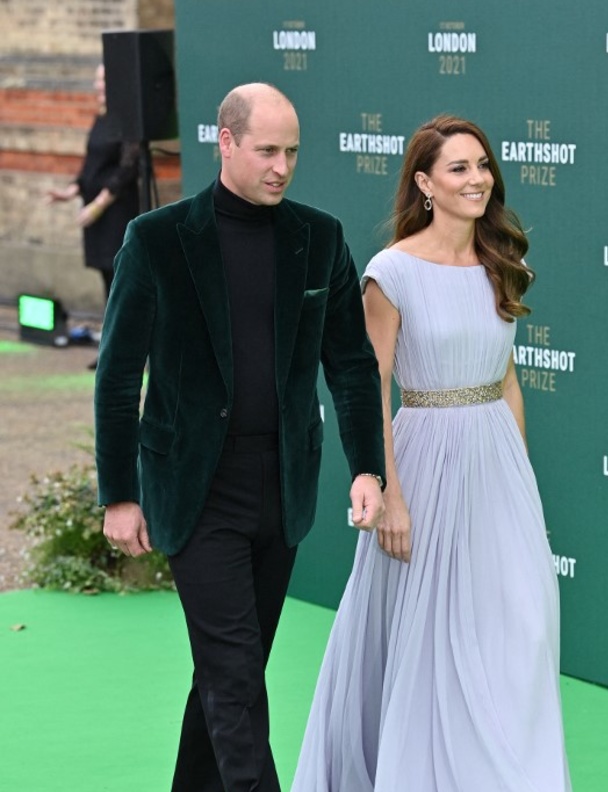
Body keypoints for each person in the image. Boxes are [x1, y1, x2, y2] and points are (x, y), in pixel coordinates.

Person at [93, 83, 386, 792]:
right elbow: (118, 372)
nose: (282, 167)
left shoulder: (319, 238)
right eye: (266, 151)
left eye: (291, 152)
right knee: (233, 677)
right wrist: (119, 494)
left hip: (281, 487)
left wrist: (367, 468)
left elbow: (350, 363)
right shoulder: (158, 240)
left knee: (233, 673)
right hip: (196, 490)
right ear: (224, 143)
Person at [292, 115, 572, 791]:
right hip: (422, 460)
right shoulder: (392, 273)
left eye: (482, 165)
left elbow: (508, 381)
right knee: (425, 637)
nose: (477, 179)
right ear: (424, 183)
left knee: (519, 630)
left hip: (496, 463)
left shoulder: (501, 262)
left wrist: (520, 484)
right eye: (458, 168)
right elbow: (373, 385)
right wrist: (388, 492)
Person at [46, 63, 139, 366]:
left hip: (115, 213)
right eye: (97, 80)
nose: (98, 86)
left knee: (119, 281)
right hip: (94, 214)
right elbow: (92, 165)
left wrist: (100, 204)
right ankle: (111, 350)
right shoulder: (100, 118)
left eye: (103, 80)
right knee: (105, 280)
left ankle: (124, 354)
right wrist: (71, 191)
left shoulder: (126, 119)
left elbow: (127, 168)